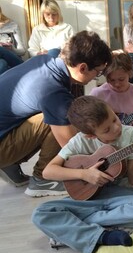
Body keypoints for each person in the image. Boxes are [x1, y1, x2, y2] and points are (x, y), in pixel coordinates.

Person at [31, 95, 133, 253]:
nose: (116, 128)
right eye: (106, 130)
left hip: (121, 194)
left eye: (114, 119)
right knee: (40, 214)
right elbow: (48, 171)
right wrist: (85, 174)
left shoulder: (131, 133)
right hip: (88, 197)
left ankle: (77, 225)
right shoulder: (79, 141)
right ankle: (103, 236)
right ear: (91, 135)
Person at [0, 31, 112, 197]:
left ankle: (10, 164)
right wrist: (98, 158)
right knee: (57, 120)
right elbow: (72, 146)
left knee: (54, 114)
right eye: (98, 72)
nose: (98, 76)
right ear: (82, 67)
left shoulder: (47, 60)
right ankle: (42, 178)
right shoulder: (53, 91)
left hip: (4, 129)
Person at [90, 50, 133, 135]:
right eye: (111, 80)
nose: (117, 84)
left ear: (129, 73)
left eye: (121, 79)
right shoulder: (97, 94)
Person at [0, 6, 27, 74]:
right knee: (2, 63)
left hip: (15, 62)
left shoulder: (12, 25)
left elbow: (22, 51)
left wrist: (12, 49)